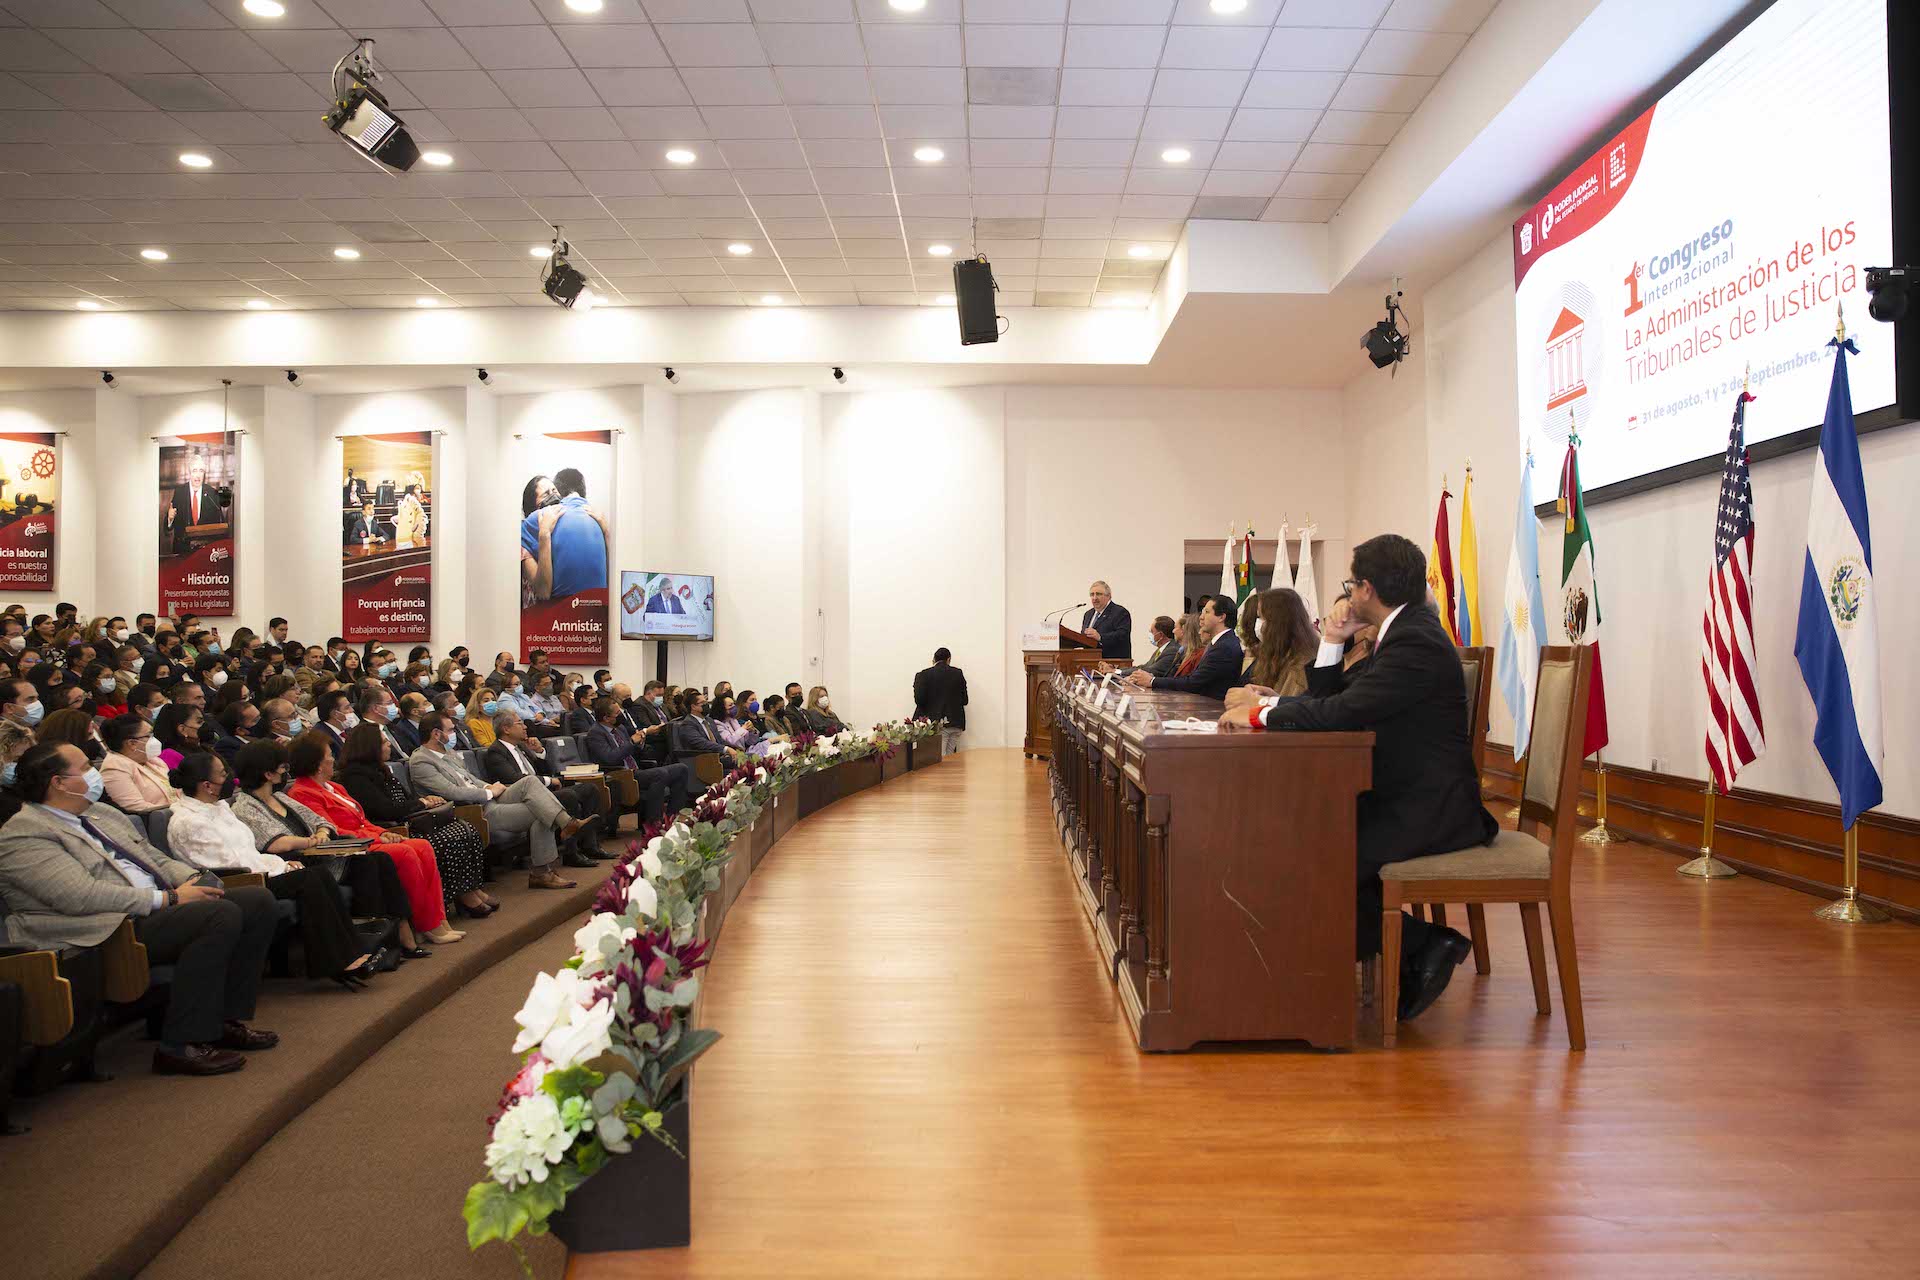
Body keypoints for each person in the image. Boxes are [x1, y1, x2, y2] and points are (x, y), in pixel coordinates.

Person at [1225, 534, 1492, 1023]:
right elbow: (1337, 697)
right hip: (1400, 792)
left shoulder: (1414, 640)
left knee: (1315, 853)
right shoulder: (1405, 631)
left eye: (1351, 585)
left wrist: (1262, 716)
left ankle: (1417, 948)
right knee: (1304, 840)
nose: (1348, 595)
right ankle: (1413, 947)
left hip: (1430, 807)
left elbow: (1342, 712)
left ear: (1366, 588)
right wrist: (1329, 641)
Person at [0, 742, 278, 1076]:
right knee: (218, 915)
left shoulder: (102, 814)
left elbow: (155, 859)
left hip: (153, 910)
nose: (95, 772)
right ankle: (180, 1044)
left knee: (256, 901)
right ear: (58, 782)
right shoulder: (23, 832)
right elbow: (79, 897)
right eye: (86, 766)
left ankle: (222, 1020)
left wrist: (195, 880)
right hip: (105, 928)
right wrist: (170, 899)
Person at [166, 752, 377, 988]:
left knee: (316, 874)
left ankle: (350, 953)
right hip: (234, 882)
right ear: (207, 785)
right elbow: (228, 865)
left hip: (255, 871)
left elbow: (249, 852)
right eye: (223, 775)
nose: (229, 779)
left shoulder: (219, 808)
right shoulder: (188, 821)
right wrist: (279, 867)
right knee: (309, 878)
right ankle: (337, 961)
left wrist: (281, 865)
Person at [228, 738, 429, 960]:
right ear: (267, 773)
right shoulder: (245, 807)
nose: (286, 771)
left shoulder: (279, 797)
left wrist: (321, 834)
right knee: (367, 865)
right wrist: (310, 841)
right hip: (292, 865)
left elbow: (322, 822)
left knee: (377, 860)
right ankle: (374, 945)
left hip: (318, 855)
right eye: (282, 767)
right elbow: (276, 843)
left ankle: (394, 938)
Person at [284, 732, 461, 944]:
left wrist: (382, 833)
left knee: (423, 846)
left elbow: (362, 819)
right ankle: (425, 923)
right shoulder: (302, 792)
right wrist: (376, 838)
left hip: (369, 837)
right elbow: (334, 830)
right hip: (348, 849)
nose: (334, 758)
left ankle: (436, 918)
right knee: (404, 852)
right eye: (329, 755)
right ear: (318, 764)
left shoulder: (336, 787)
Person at [409, 712, 582, 891]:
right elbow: (452, 792)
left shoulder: (449, 753)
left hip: (486, 798)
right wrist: (489, 793)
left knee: (529, 782)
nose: (455, 733)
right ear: (436, 734)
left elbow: (471, 780)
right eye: (451, 730)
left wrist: (492, 787)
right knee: (542, 812)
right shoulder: (421, 761)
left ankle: (564, 825)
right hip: (472, 810)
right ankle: (542, 871)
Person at [335, 723, 493, 919]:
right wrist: (420, 803)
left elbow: (405, 798)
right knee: (446, 838)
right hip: (397, 827)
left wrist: (426, 802)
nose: (389, 746)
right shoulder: (355, 776)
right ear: (370, 747)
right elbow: (384, 809)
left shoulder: (381, 769)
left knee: (465, 828)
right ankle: (461, 894)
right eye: (384, 743)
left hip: (410, 817)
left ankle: (471, 887)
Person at [484, 711, 606, 866]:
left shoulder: (521, 746)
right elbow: (514, 779)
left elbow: (545, 770)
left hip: (542, 791)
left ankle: (591, 846)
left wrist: (540, 752)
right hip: (525, 798)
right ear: (506, 729)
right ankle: (571, 854)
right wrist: (549, 781)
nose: (525, 727)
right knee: (568, 796)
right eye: (519, 723)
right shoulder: (495, 751)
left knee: (590, 789)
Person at [520, 468, 610, 604]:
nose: (553, 497)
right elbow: (543, 593)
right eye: (546, 494)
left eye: (555, 491)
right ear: (533, 508)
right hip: (537, 614)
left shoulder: (561, 527)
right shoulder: (526, 534)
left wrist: (606, 532)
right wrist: (544, 534)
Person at [1128, 594, 1242, 699]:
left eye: (1206, 612)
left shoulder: (1224, 646)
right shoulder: (1219, 643)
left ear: (1221, 617)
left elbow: (1194, 682)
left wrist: (1152, 681)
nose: (1201, 617)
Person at [584, 698, 676, 825]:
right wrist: (631, 742)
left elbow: (633, 751)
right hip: (620, 774)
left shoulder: (620, 728)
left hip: (635, 770)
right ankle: (653, 824)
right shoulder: (595, 733)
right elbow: (610, 758)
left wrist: (640, 743)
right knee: (660, 774)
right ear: (606, 718)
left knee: (680, 769)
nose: (621, 716)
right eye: (617, 714)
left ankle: (672, 817)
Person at [1224, 588, 1318, 703]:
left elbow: (1293, 711)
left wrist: (1264, 701)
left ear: (1278, 623)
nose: (1259, 624)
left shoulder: (1302, 664)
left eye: (1262, 618)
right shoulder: (1273, 655)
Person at [164, 455, 221, 556]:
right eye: (194, 470)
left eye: (201, 471)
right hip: (182, 552)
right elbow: (167, 529)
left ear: (204, 474)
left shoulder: (212, 494)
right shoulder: (180, 492)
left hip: (205, 553)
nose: (198, 475)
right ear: (189, 473)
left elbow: (220, 524)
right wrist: (170, 518)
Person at [911, 648, 968, 739]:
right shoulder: (958, 673)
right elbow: (965, 700)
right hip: (956, 722)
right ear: (948, 659)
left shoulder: (923, 675)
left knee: (938, 753)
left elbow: (919, 700)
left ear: (933, 660)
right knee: (951, 753)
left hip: (935, 724)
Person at [1112, 616, 1181, 681]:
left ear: (1160, 635)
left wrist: (1116, 671)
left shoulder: (1172, 650)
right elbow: (1144, 666)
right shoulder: (1161, 650)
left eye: (1152, 632)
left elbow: (1150, 670)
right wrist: (1117, 670)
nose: (1150, 634)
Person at [1078, 580, 1133, 661]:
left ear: (1109, 596)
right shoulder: (1088, 614)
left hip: (1114, 662)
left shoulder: (1120, 612)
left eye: (1098, 594)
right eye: (1092, 594)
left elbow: (1122, 635)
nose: (1094, 598)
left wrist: (1100, 637)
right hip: (1090, 661)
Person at [672, 689, 728, 760]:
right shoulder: (688, 724)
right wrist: (725, 749)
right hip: (702, 759)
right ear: (693, 707)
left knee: (742, 758)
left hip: (718, 756)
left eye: (706, 701)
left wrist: (734, 749)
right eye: (703, 702)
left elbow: (719, 740)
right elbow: (702, 743)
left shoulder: (709, 720)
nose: (706, 704)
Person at [392, 481, 427, 546]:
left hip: (409, 536)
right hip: (407, 535)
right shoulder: (409, 500)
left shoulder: (409, 501)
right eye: (416, 488)